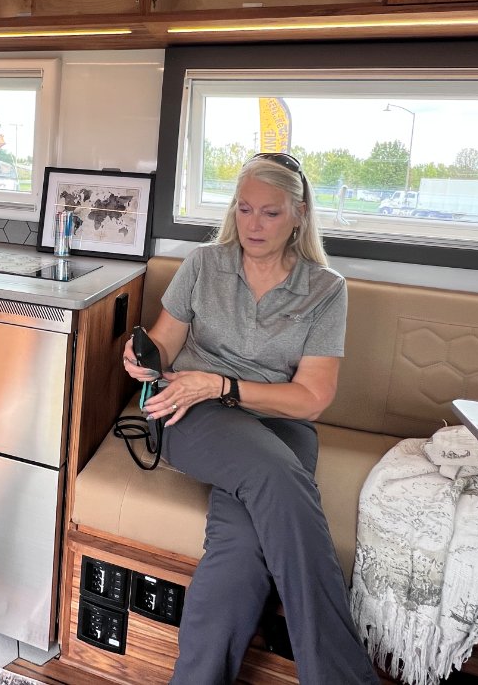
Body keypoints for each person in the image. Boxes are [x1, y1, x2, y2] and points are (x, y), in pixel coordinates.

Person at [122, 152, 378, 685]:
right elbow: (165, 344)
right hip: (192, 409)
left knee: (240, 549)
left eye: (270, 213)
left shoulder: (325, 289)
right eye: (243, 209)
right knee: (278, 476)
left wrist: (225, 384)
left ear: (299, 215)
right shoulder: (203, 266)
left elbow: (310, 399)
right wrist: (143, 356)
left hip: (280, 422)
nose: (253, 225)